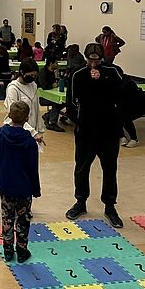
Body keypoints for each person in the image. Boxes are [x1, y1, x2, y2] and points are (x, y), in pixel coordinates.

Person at [65, 43, 125, 228]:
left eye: (96, 61)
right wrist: (79, 122)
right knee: (82, 168)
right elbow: (71, 102)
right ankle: (80, 201)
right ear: (85, 59)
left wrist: (102, 80)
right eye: (90, 60)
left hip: (109, 131)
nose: (93, 64)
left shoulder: (113, 72)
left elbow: (121, 95)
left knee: (109, 169)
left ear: (102, 59)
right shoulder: (77, 74)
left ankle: (110, 206)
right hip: (86, 132)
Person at [0, 101, 41, 264]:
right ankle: (22, 251)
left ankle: (8, 251)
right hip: (24, 188)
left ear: (9, 115)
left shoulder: (1, 133)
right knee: (23, 219)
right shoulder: (30, 142)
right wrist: (36, 189)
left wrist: (1, 177)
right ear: (26, 118)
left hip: (6, 184)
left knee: (6, 217)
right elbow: (32, 168)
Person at [38, 57, 65, 132]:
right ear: (51, 63)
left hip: (52, 95)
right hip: (43, 96)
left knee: (64, 101)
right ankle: (52, 122)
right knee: (57, 103)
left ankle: (48, 115)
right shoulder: (43, 72)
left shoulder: (52, 72)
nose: (57, 64)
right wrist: (52, 85)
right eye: (56, 63)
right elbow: (44, 86)